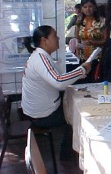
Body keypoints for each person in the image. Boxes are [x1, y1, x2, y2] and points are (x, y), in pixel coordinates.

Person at [21, 25, 91, 160]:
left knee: (74, 103)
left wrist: (78, 73)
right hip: (42, 114)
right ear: (44, 40)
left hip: (37, 110)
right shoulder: (41, 58)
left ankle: (69, 154)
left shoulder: (40, 56)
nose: (58, 38)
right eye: (55, 36)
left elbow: (58, 79)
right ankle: (67, 157)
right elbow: (59, 81)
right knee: (75, 117)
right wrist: (81, 70)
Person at [76, 0, 106, 82]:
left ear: (95, 7)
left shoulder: (101, 21)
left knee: (94, 81)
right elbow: (77, 37)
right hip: (82, 57)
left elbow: (106, 40)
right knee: (83, 81)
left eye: (90, 6)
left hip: (96, 57)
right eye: (85, 7)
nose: (88, 9)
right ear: (81, 8)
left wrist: (93, 42)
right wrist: (77, 46)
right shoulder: (79, 21)